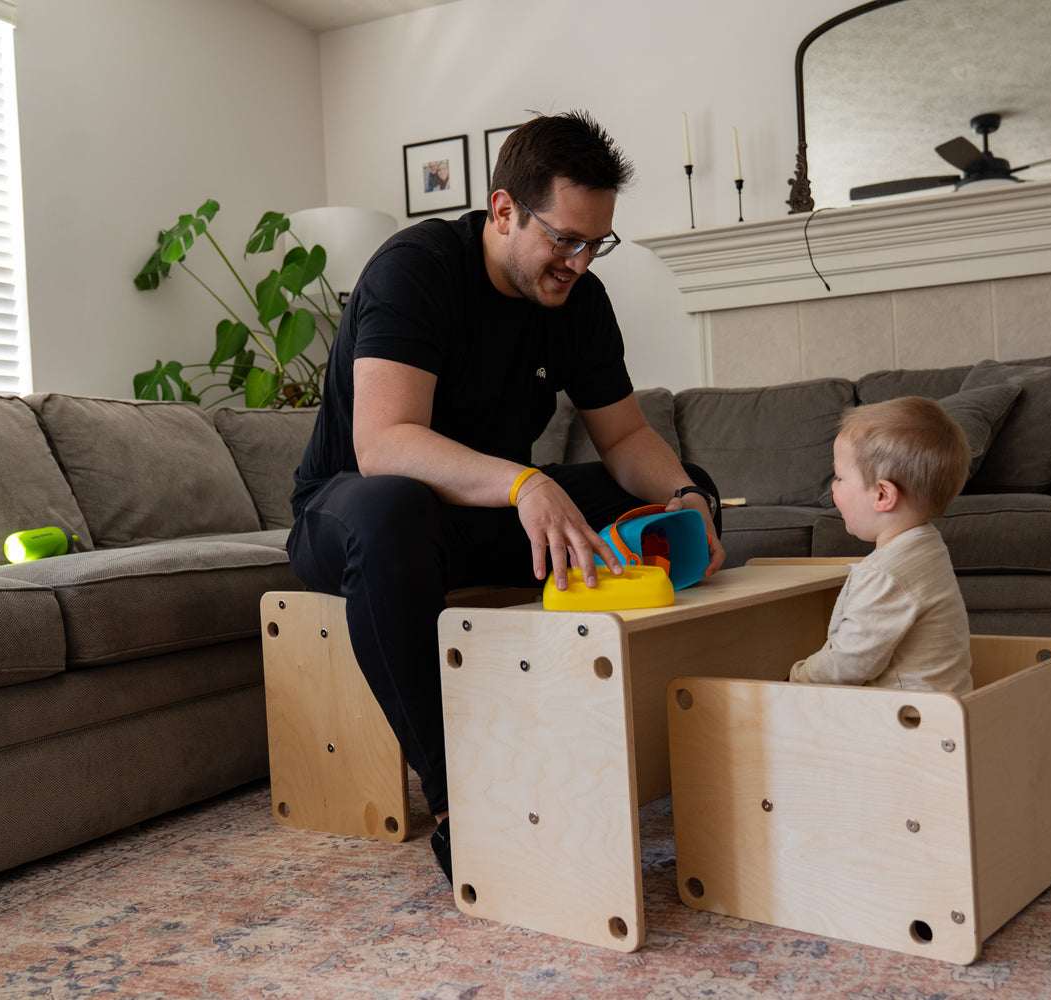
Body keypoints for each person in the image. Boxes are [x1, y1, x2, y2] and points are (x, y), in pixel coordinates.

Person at [287, 111, 726, 884]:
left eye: (597, 243)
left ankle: (608, 743)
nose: (581, 261)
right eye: (564, 238)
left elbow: (624, 441)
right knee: (394, 508)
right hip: (354, 515)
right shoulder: (414, 271)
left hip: (481, 519)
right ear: (502, 211)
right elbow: (383, 444)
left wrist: (689, 495)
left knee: (687, 492)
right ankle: (460, 801)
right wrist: (527, 483)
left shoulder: (579, 301)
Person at [788, 396, 973, 693]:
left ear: (882, 495)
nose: (833, 488)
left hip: (908, 721)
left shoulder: (884, 575)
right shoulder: (929, 547)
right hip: (942, 710)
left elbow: (848, 663)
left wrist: (795, 680)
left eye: (839, 477)